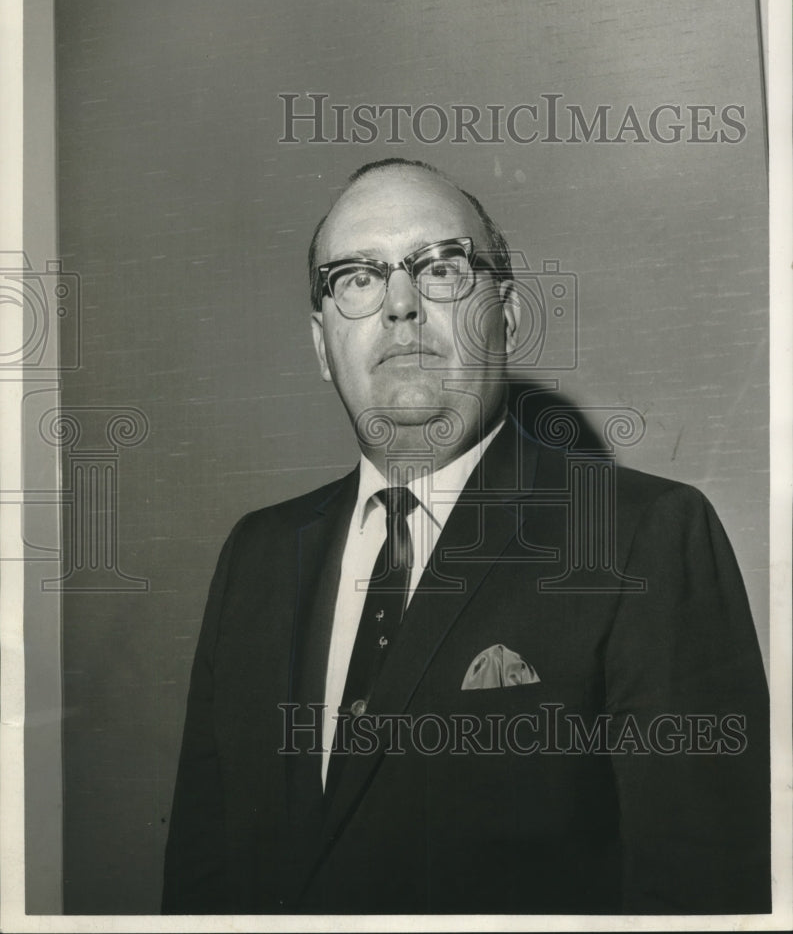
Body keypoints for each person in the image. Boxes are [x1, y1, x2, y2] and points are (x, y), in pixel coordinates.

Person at [162, 158, 770, 915]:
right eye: (357, 277)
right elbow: (200, 888)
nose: (400, 307)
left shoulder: (643, 538)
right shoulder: (255, 558)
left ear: (505, 318)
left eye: (441, 268)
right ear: (322, 347)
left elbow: (705, 894)